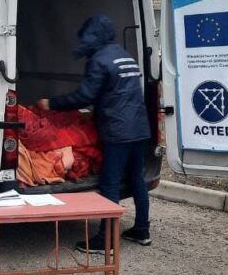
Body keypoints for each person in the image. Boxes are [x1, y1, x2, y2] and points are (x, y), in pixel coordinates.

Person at [38, 14, 151, 253]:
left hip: (118, 131)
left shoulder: (99, 59)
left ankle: (105, 241)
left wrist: (51, 104)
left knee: (110, 182)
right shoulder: (124, 55)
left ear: (93, 35)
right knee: (137, 179)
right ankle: (142, 230)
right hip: (139, 128)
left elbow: (84, 96)